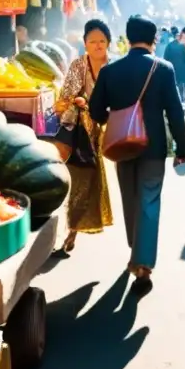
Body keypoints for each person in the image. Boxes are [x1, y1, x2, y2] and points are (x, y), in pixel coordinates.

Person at [89, 15, 185, 290]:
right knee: (149, 200)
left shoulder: (110, 71)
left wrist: (118, 118)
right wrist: (182, 147)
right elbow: (175, 112)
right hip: (154, 147)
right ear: (153, 38)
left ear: (128, 38)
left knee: (130, 198)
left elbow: (95, 111)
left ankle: (135, 247)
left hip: (122, 146)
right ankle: (143, 263)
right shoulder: (163, 68)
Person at [52, 19, 115, 255]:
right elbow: (64, 98)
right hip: (82, 133)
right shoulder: (79, 66)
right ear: (85, 44)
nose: (98, 45)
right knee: (80, 180)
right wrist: (79, 103)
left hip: (111, 133)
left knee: (96, 182)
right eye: (92, 41)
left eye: (102, 41)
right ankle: (71, 233)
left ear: (108, 42)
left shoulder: (115, 66)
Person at [163, 28, 185, 103]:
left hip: (176, 66)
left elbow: (166, 57)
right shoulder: (184, 45)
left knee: (180, 82)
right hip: (184, 66)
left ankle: (183, 97)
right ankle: (184, 97)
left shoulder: (169, 45)